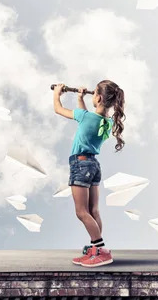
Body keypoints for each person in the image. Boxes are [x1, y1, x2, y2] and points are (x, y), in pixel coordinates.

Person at [52, 80, 126, 268]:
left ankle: (100, 251)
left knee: (81, 212)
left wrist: (57, 93)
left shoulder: (85, 117)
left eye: (94, 95)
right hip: (93, 165)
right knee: (94, 211)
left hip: (80, 164)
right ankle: (95, 249)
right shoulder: (107, 122)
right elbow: (84, 117)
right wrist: (79, 98)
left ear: (99, 97)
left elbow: (58, 109)